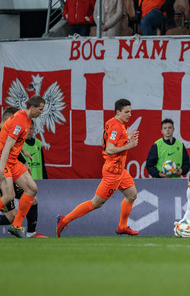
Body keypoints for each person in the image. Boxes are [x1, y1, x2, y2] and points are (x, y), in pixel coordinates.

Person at [56, 99, 139, 237]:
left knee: (132, 195)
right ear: (118, 112)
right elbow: (109, 149)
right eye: (127, 112)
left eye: (130, 111)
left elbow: (103, 140)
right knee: (96, 203)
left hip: (120, 170)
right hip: (113, 171)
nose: (130, 114)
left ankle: (122, 226)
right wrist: (128, 145)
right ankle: (64, 220)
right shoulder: (117, 127)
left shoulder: (113, 123)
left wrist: (125, 138)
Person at [0, 96, 45, 238]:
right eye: (40, 109)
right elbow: (7, 145)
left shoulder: (25, 119)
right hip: (1, 159)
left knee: (32, 189)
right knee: (9, 196)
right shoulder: (20, 121)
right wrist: (1, 170)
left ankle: (16, 226)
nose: (41, 112)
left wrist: (23, 151)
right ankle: (16, 225)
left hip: (12, 159)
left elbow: (14, 140)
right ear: (32, 108)